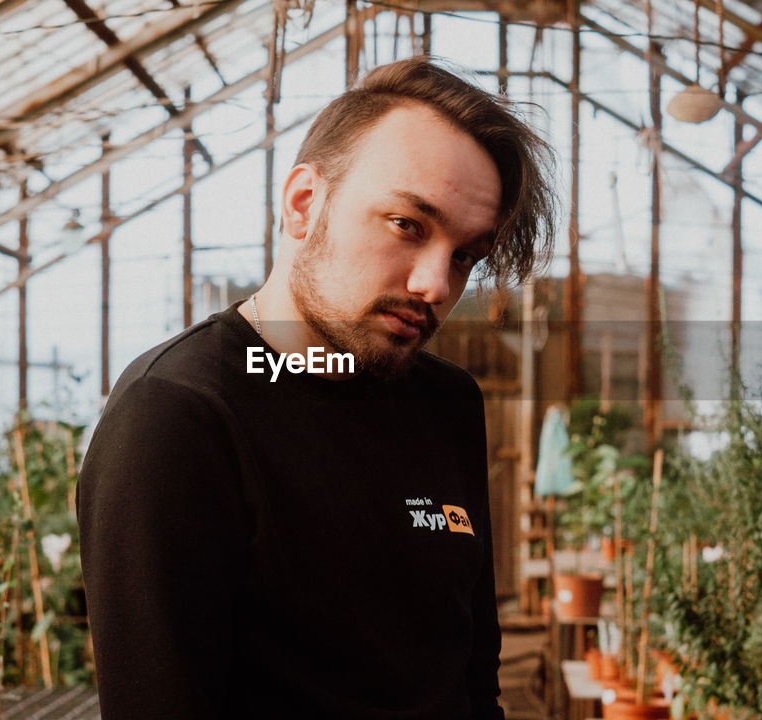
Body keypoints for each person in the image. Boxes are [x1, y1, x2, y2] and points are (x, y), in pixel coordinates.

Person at [77, 56, 556, 719]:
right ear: (304, 204)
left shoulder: (448, 405)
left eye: (464, 255)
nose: (436, 286)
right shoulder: (181, 417)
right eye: (408, 225)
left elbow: (473, 681)